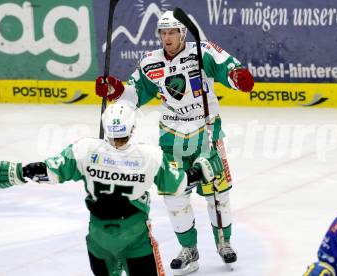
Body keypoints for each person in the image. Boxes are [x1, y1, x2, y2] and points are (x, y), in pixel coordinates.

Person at [95, 10, 254, 275]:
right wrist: (114, 90)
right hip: (171, 136)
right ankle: (188, 249)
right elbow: (134, 94)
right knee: (174, 195)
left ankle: (223, 242)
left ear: (182, 34)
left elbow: (231, 69)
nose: (167, 38)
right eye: (163, 33)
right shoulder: (150, 62)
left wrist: (239, 79)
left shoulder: (204, 52)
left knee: (218, 193)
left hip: (207, 132)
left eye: (172, 32)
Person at [0, 102, 223, 276]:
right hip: (136, 240)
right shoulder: (151, 156)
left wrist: (17, 172)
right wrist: (201, 169)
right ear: (132, 129)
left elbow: (49, 170)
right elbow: (179, 185)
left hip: (99, 240)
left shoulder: (85, 150)